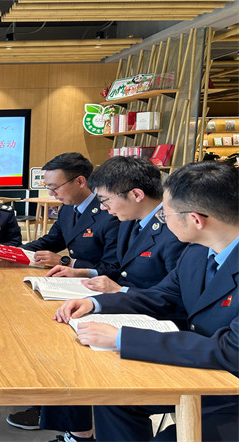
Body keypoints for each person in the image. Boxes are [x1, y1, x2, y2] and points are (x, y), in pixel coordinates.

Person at [55, 161, 238, 442]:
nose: (161, 221)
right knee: (114, 396)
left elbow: (231, 350)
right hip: (205, 370)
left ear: (196, 220)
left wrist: (122, 337)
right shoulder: (198, 252)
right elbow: (162, 296)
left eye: (165, 214)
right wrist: (96, 303)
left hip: (230, 391)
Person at [36, 156, 188, 442]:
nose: (103, 208)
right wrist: (98, 298)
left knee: (91, 366)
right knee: (65, 333)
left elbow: (173, 295)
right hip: (128, 305)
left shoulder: (176, 231)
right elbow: (122, 269)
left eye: (105, 200)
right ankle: (76, 431)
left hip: (159, 320)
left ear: (136, 195)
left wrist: (117, 292)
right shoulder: (130, 220)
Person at [8, 153, 120, 431]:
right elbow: (50, 241)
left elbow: (114, 267)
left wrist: (69, 262)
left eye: (54, 187)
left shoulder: (109, 212)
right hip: (67, 288)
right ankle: (50, 406)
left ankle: (68, 422)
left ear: (80, 181)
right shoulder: (69, 208)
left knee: (60, 345)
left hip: (98, 294)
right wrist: (3, 251)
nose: (51, 194)